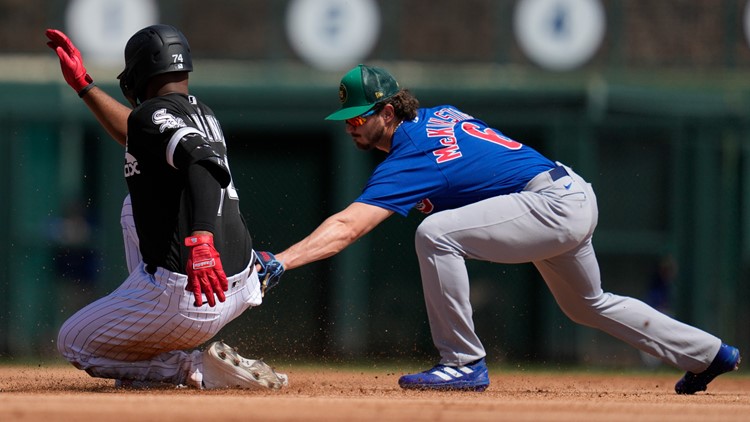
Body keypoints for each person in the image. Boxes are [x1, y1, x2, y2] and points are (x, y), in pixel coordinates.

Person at [271, 64, 741, 393]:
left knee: (435, 233)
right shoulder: (441, 115)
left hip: (551, 204)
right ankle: (709, 354)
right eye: (345, 119)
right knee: (587, 304)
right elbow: (480, 169)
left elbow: (349, 226)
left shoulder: (411, 152)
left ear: (388, 112)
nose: (349, 126)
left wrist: (281, 260)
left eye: (357, 116)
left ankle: (462, 363)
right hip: (567, 193)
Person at [46, 25, 286, 389]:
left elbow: (203, 165)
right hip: (235, 284)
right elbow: (142, 132)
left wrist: (202, 238)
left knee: (73, 341)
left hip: (192, 293)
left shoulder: (151, 114)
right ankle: (150, 345)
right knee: (133, 207)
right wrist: (85, 86)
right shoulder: (202, 112)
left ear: (139, 73)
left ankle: (194, 369)